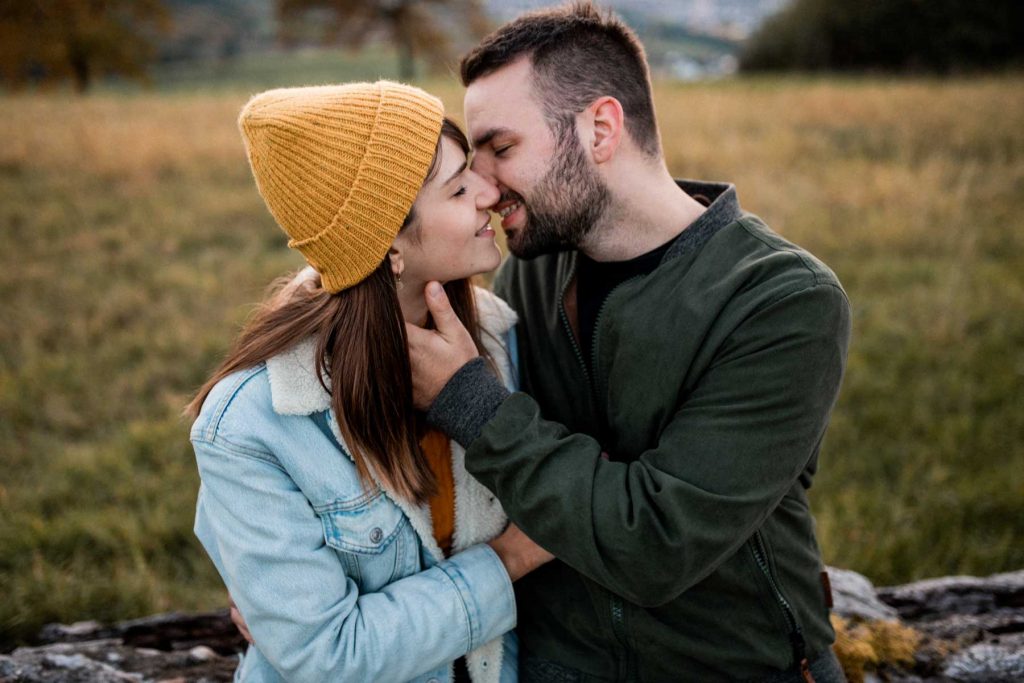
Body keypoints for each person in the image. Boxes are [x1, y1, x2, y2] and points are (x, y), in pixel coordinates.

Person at [405, 3, 852, 682]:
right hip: (556, 666)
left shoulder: (781, 301)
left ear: (600, 128)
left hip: (736, 668)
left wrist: (478, 407)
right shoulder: (529, 269)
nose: (485, 187)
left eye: (501, 149)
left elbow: (656, 543)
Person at [185, 81, 552, 682]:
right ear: (389, 250)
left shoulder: (498, 335)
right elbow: (329, 657)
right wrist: (508, 559)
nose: (490, 192)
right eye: (459, 187)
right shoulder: (251, 425)